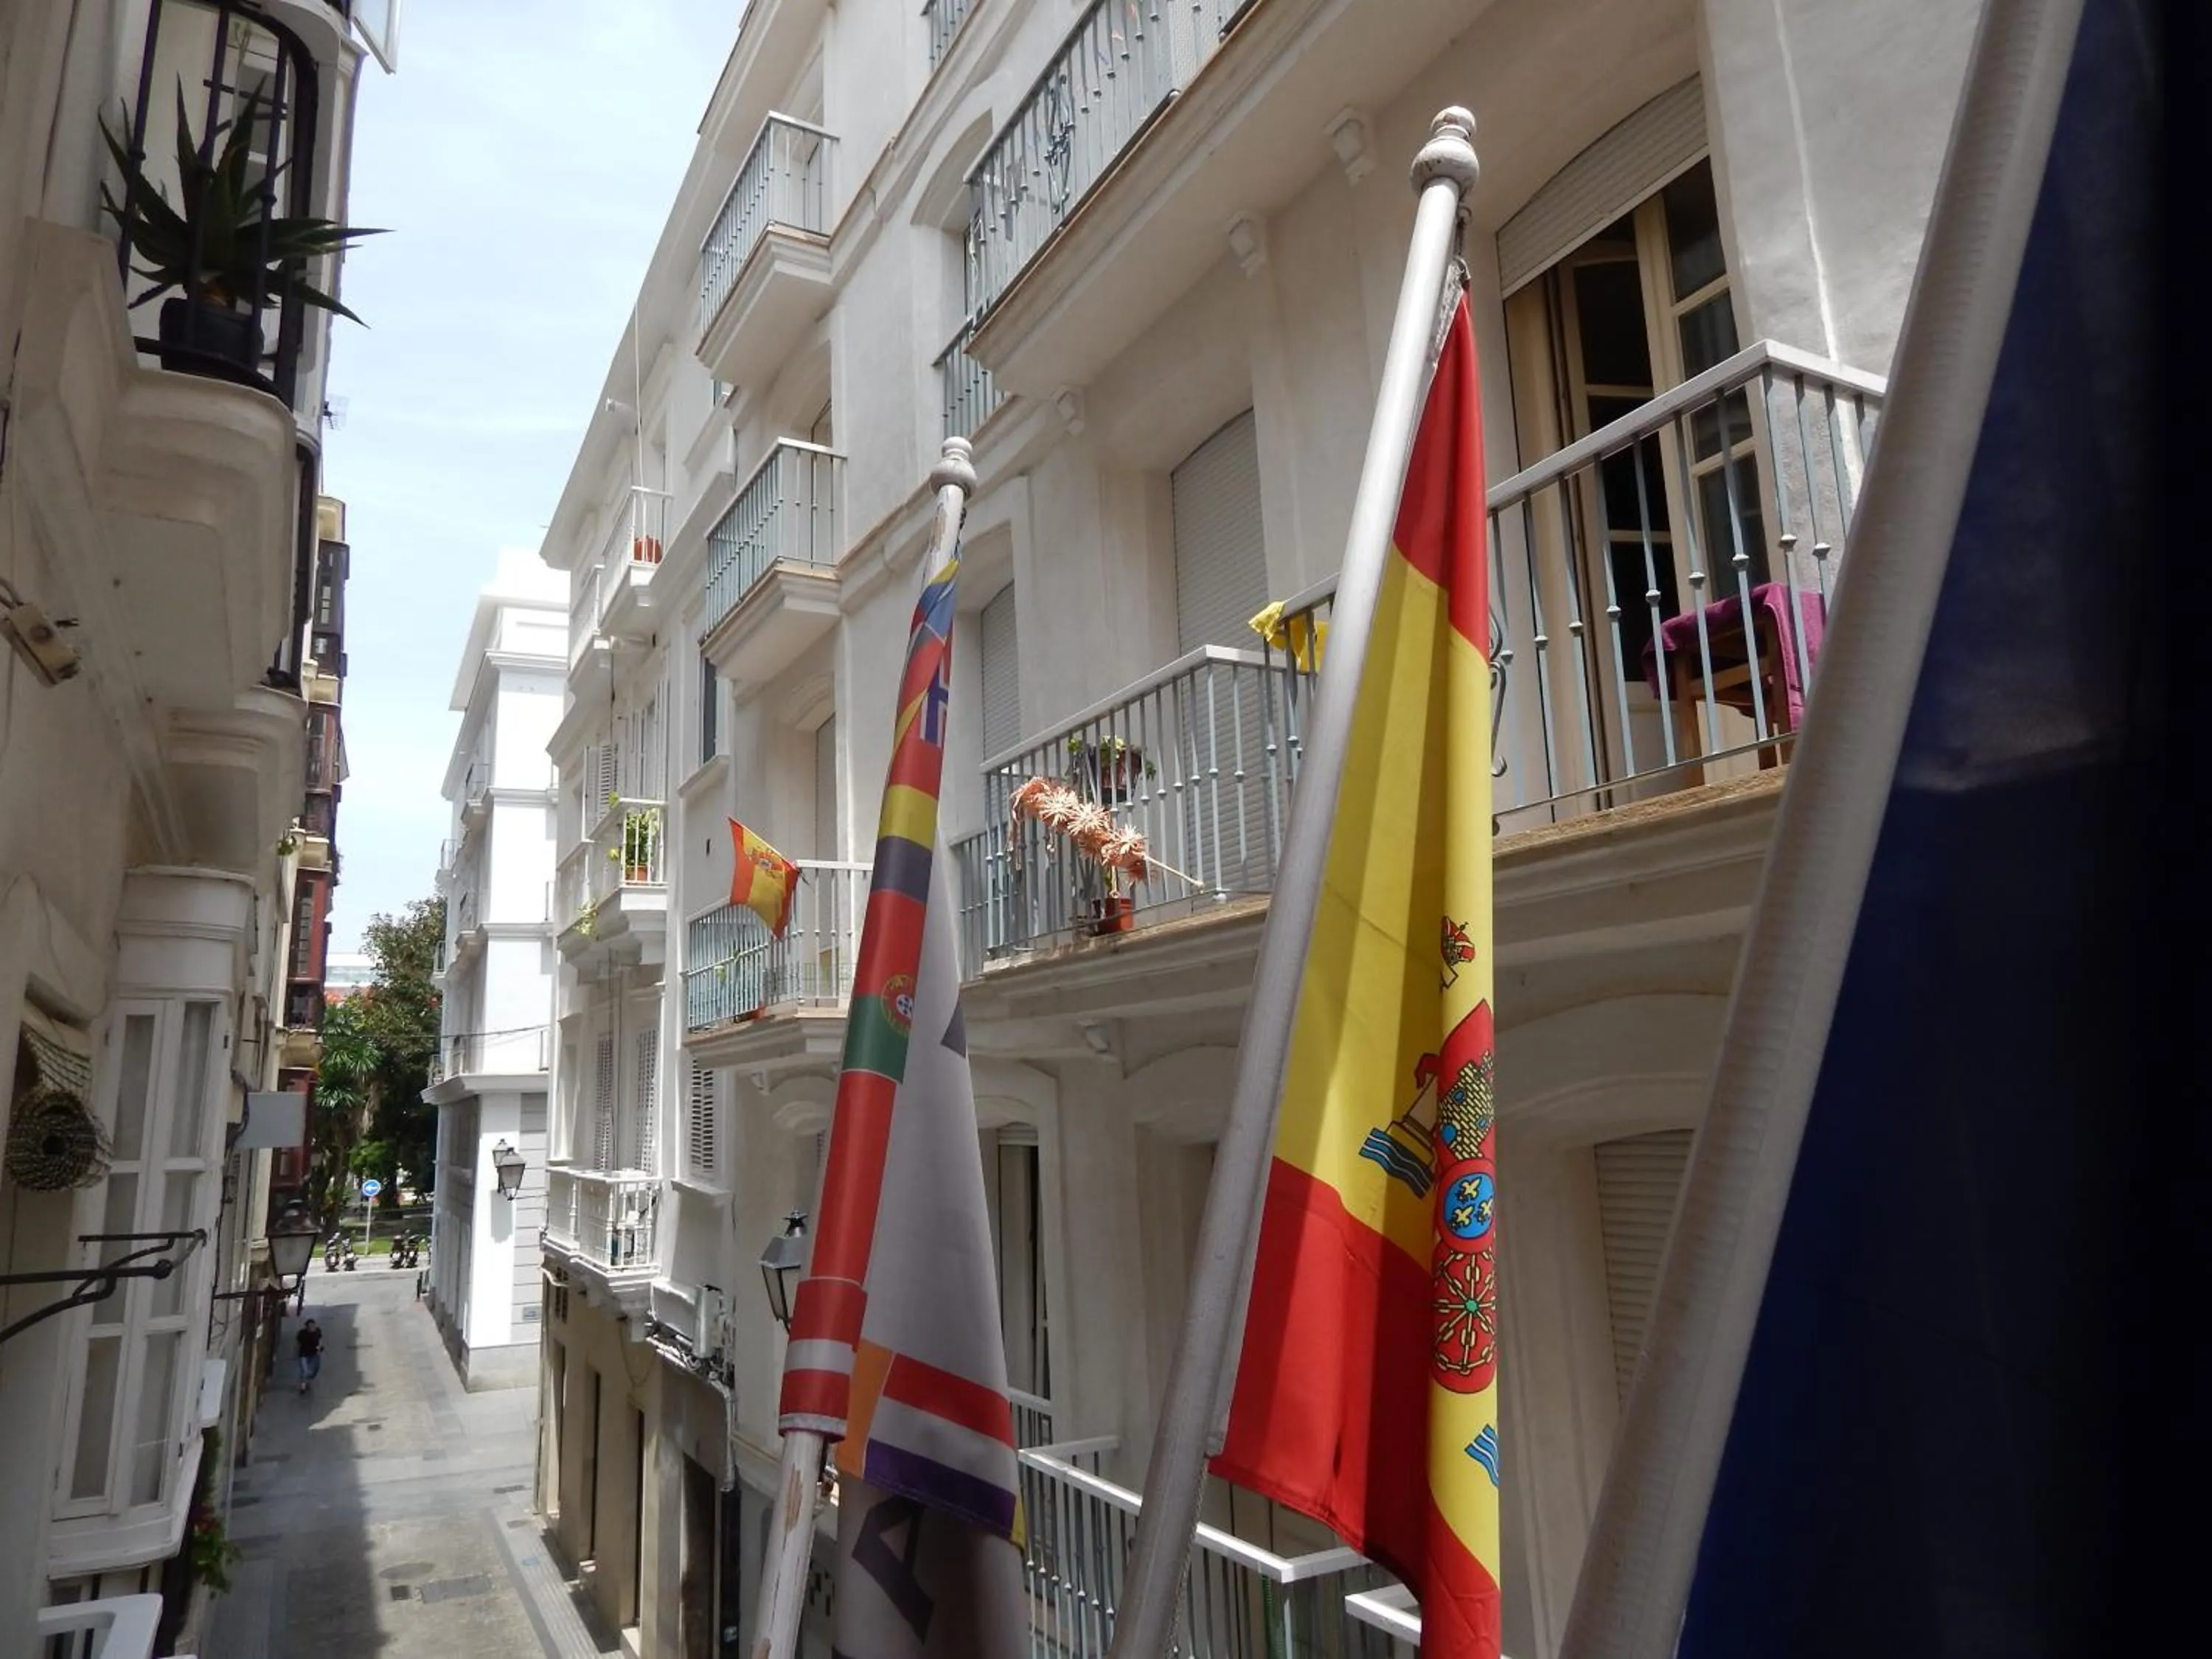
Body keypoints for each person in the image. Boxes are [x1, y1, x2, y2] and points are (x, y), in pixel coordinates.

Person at [296, 1318, 324, 1394]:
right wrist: (296, 1353)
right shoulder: (302, 1334)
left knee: (315, 1370)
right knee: (304, 1371)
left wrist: (320, 1347)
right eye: (310, 1326)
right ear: (307, 1327)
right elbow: (298, 1344)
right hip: (303, 1354)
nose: (312, 1328)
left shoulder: (317, 1332)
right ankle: (303, 1386)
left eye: (313, 1326)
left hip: (314, 1354)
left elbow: (320, 1340)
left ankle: (308, 1380)